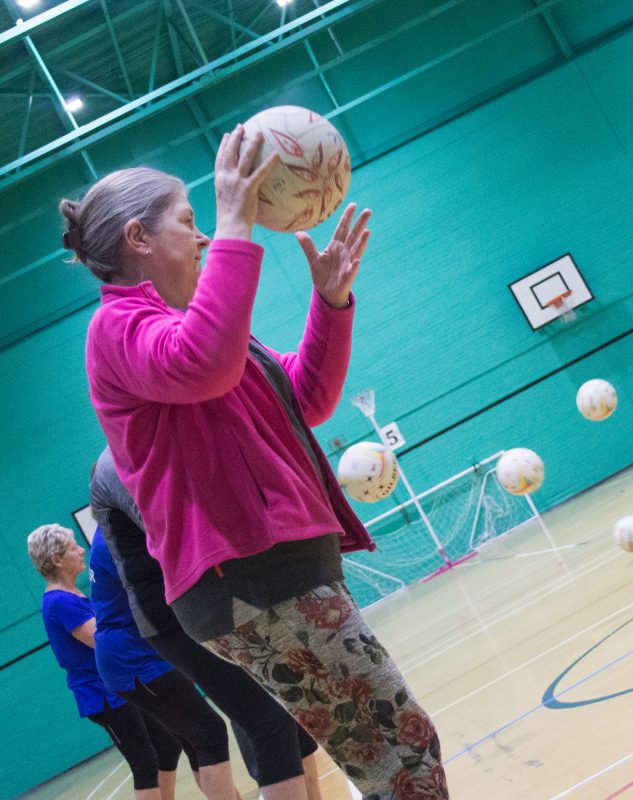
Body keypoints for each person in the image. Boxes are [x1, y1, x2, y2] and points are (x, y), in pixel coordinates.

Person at [62, 125, 447, 798]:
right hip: (250, 578)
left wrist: (329, 304)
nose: (207, 234)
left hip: (273, 575)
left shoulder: (193, 321)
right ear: (138, 239)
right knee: (401, 750)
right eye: (190, 221)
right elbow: (202, 364)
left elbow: (305, 398)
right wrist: (238, 218)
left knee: (384, 751)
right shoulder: (117, 329)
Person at [91, 447, 325, 800]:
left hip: (199, 607)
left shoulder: (144, 463)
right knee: (249, 722)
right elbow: (179, 533)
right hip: (166, 626)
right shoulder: (119, 472)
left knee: (279, 707)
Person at [28, 523, 181, 800]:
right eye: (72, 547)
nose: (80, 550)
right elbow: (102, 641)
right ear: (57, 560)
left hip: (119, 685)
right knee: (145, 762)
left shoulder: (73, 594)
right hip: (101, 694)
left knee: (167, 746)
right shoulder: (60, 602)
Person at [88, 532, 241, 800]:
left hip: (139, 653)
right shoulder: (116, 536)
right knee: (210, 733)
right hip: (133, 659)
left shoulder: (110, 532)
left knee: (194, 742)